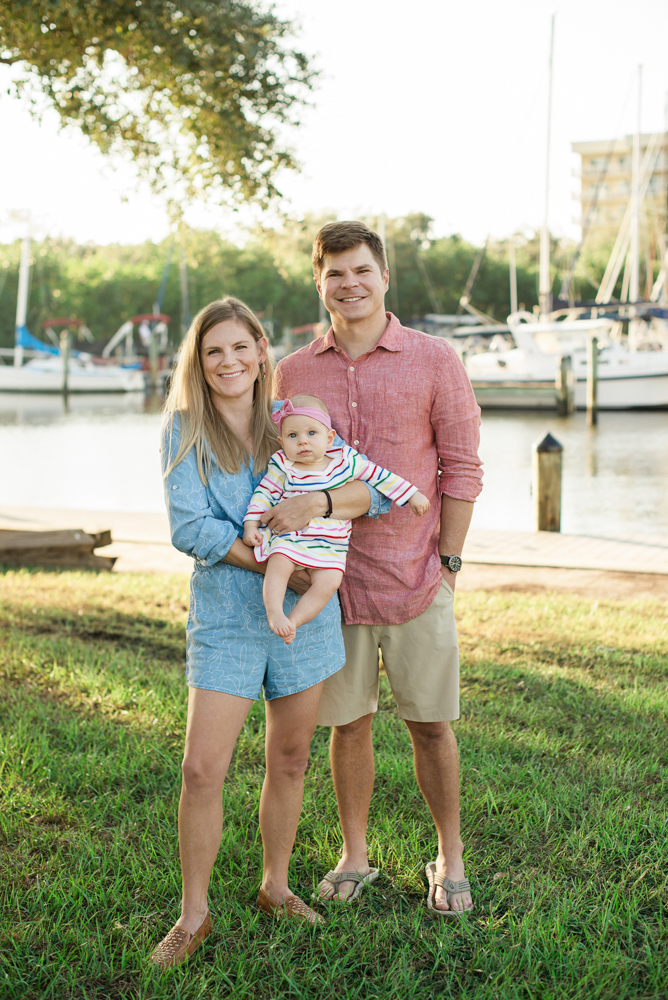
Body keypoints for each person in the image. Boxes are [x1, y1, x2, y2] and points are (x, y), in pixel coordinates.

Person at [150, 296, 384, 967]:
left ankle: (275, 886)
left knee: (289, 759)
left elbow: (367, 488)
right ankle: (193, 916)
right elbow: (190, 528)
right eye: (213, 350)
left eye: (239, 346)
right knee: (202, 769)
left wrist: (320, 530)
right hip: (228, 618)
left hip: (303, 625)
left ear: (260, 350)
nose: (228, 361)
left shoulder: (291, 422)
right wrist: (287, 568)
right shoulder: (183, 429)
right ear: (199, 361)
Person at [275, 221, 483, 917]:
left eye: (361, 270)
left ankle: (449, 856)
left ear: (383, 275)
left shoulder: (434, 359)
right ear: (319, 281)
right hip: (329, 587)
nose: (349, 284)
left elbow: (462, 468)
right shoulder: (294, 372)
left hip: (418, 577)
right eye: (335, 273)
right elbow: (276, 473)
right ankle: (355, 854)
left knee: (431, 724)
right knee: (349, 724)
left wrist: (448, 562)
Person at [243, 394, 430, 644]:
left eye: (312, 433)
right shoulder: (284, 465)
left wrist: (412, 495)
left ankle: (294, 622)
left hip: (331, 545)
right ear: (281, 441)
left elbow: (381, 476)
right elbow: (264, 493)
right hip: (291, 538)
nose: (302, 442)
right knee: (278, 566)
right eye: (292, 436)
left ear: (330, 438)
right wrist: (251, 524)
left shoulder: (346, 461)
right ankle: (275, 612)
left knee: (329, 582)